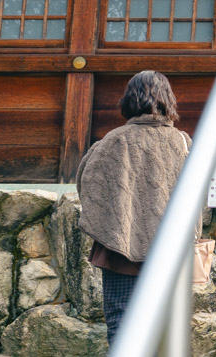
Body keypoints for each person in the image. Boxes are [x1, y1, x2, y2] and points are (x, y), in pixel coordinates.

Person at [76, 70, 189, 343]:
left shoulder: (114, 140)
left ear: (129, 99)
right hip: (169, 248)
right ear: (168, 101)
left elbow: (86, 184)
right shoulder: (182, 142)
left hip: (119, 248)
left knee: (121, 321)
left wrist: (118, 217)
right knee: (167, 325)